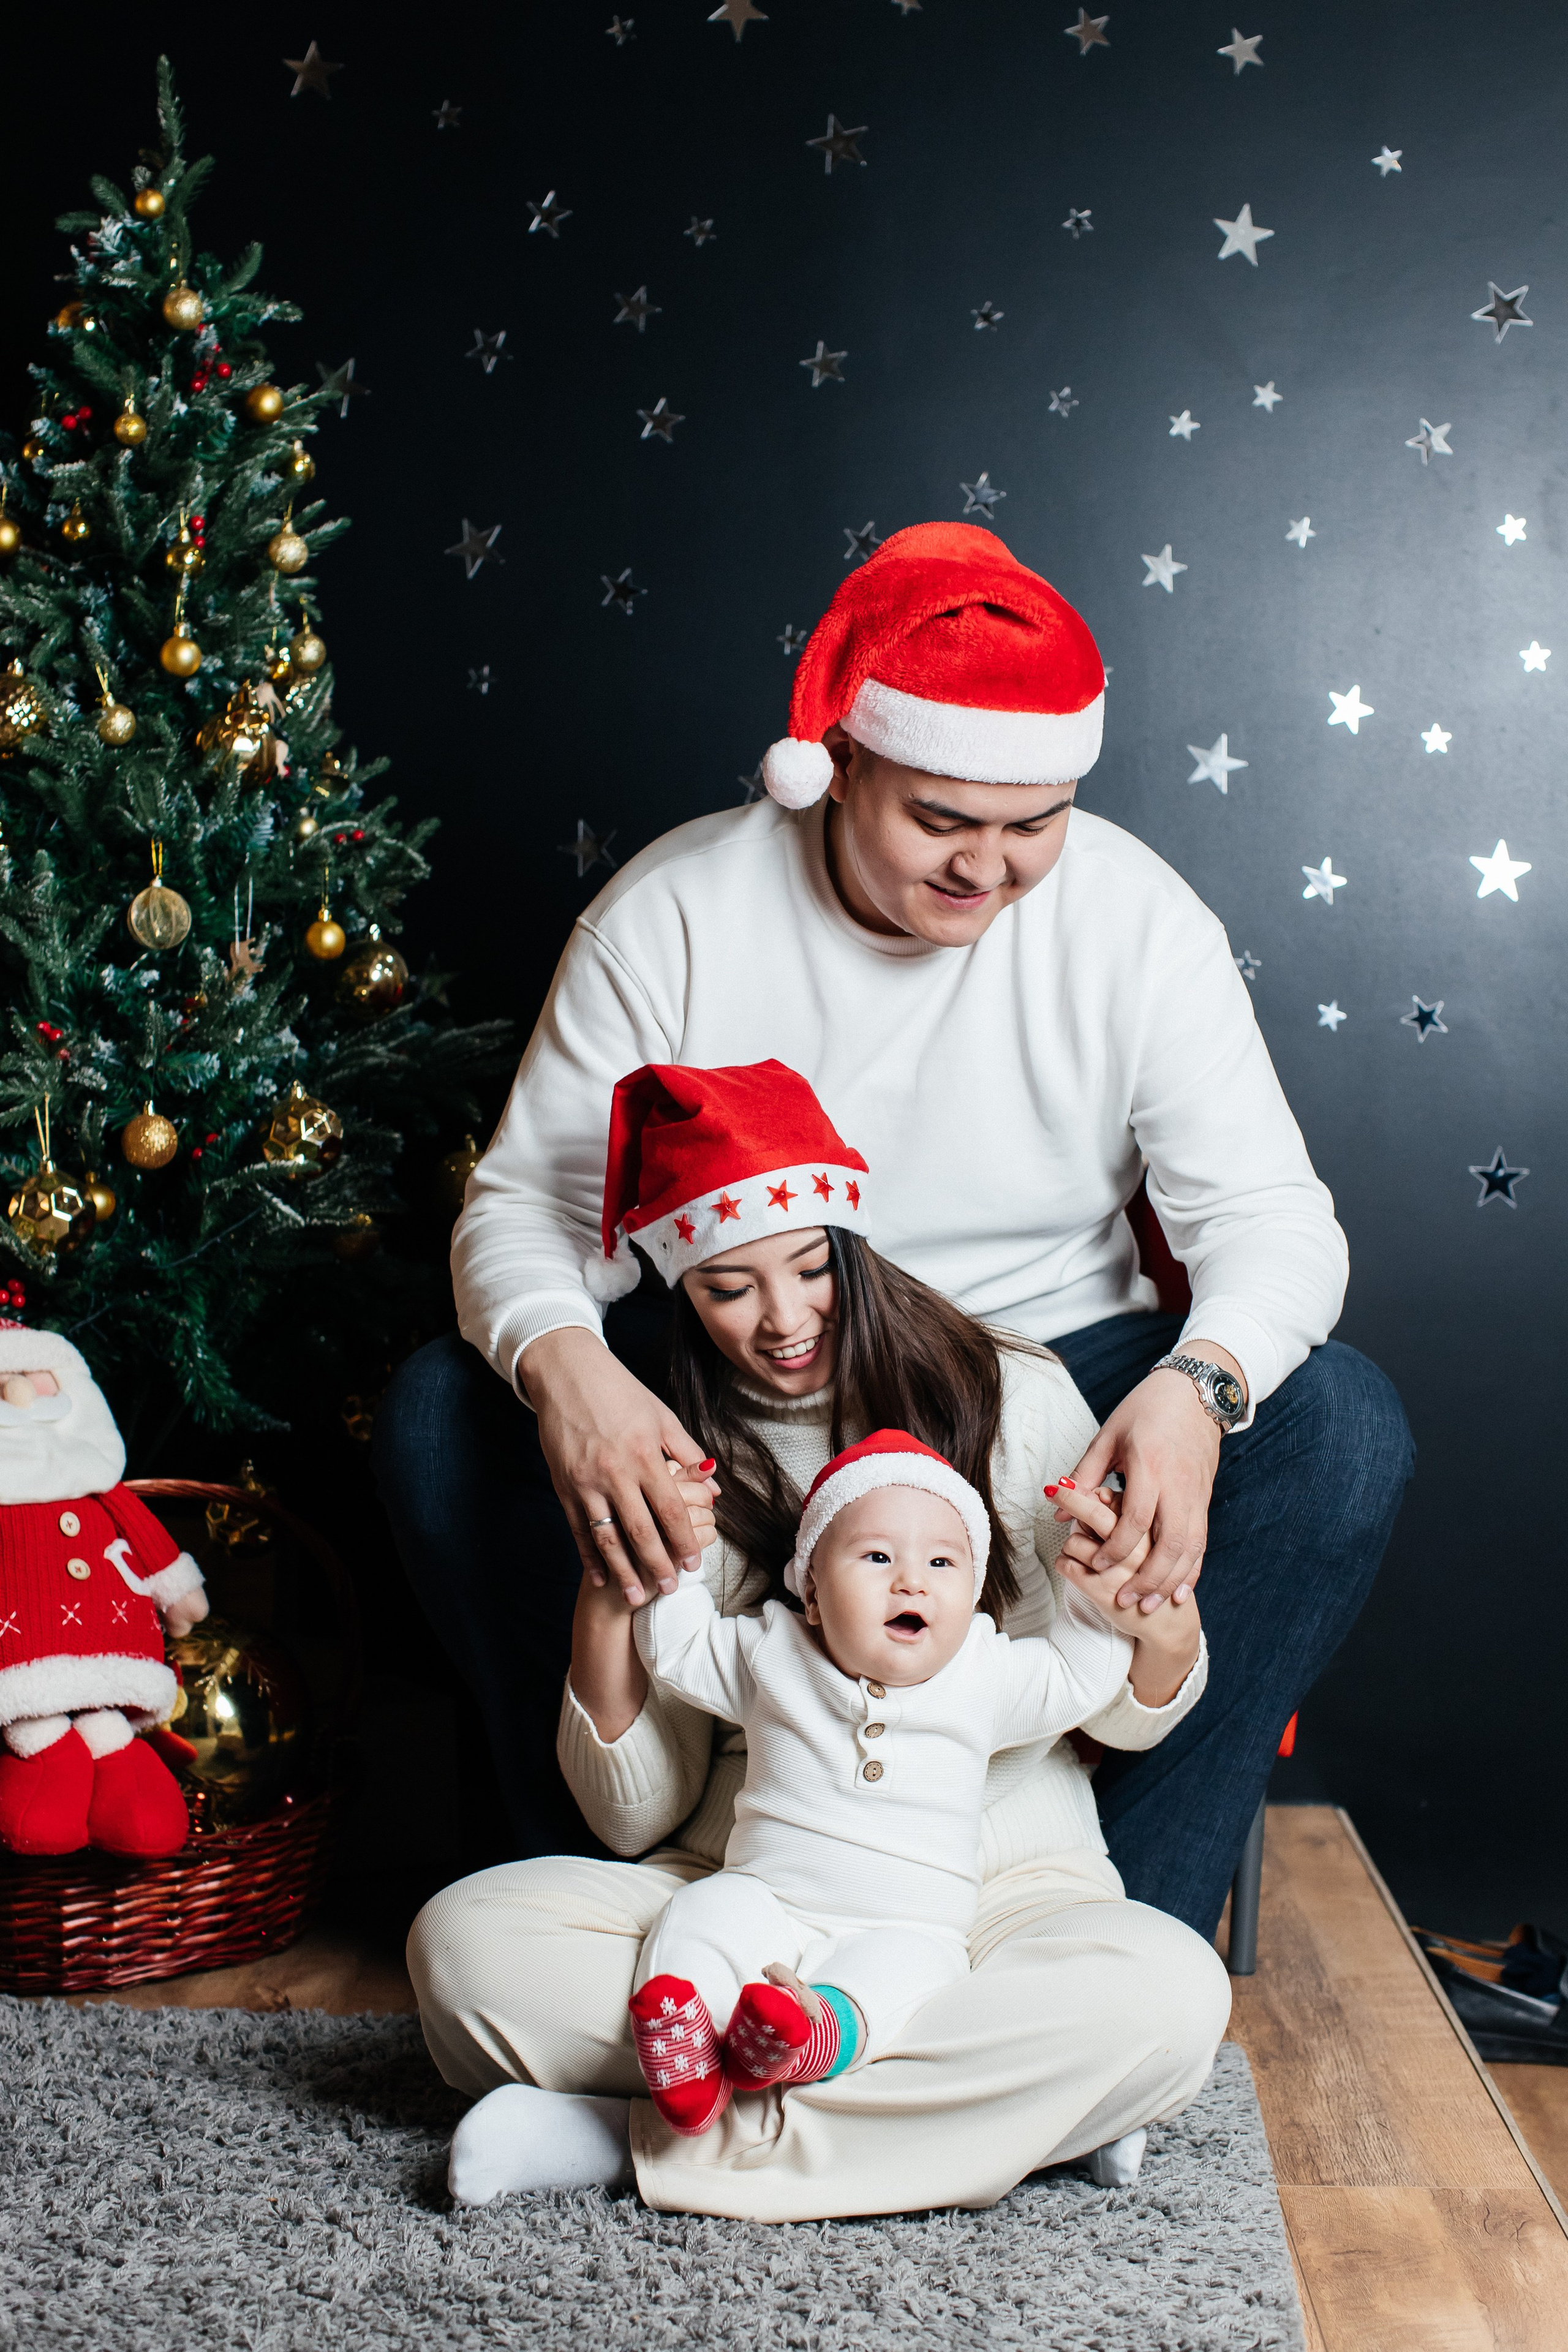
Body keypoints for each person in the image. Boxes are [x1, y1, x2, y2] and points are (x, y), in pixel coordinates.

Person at [375, 519, 1414, 1936]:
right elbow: (520, 1215)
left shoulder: (1133, 917)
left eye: (1030, 826)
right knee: (448, 1411)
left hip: (1048, 1378)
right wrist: (575, 1381)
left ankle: (1104, 1928)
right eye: (940, 821)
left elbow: (1273, 1222)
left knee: (1341, 1427)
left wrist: (1194, 1390)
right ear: (840, 766)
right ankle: (598, 1892)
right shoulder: (676, 911)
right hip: (740, 1381)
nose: (987, 871)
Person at [409, 1063, 1227, 2220]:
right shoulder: (672, 1447)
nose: (785, 1321)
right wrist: (614, 1591)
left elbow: (1109, 1705)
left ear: (855, 1243)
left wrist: (1154, 1612)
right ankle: (1015, 2121)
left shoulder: (1019, 1392)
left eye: (810, 1271)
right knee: (466, 1951)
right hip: (744, 1882)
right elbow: (638, 1817)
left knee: (1168, 1996)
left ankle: (618, 2134)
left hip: (993, 1900)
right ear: (681, 1287)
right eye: (731, 1287)